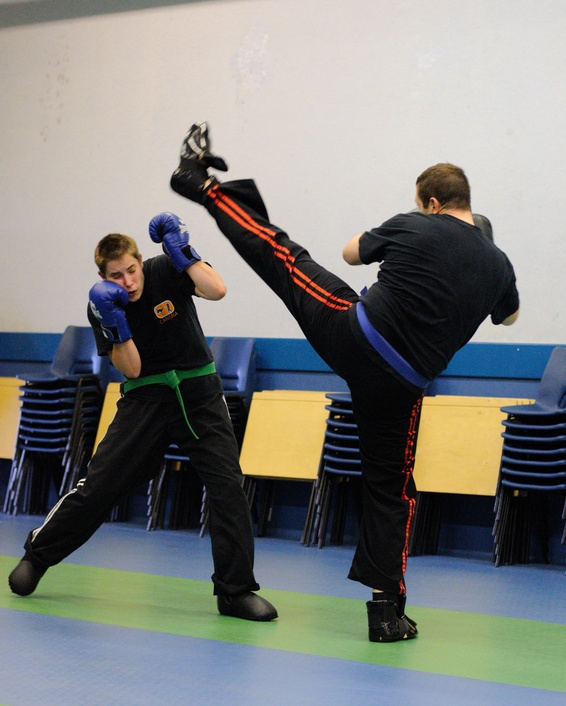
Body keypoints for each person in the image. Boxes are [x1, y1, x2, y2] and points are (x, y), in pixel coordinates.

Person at [168, 121, 520, 642]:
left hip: (354, 336)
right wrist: (483, 257)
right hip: (403, 386)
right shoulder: (499, 265)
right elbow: (508, 318)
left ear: (431, 202)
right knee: (392, 492)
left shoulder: (416, 225)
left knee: (283, 255)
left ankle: (201, 185)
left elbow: (350, 252)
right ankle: (386, 612)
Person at [8, 216, 278, 622]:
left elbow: (217, 290)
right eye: (116, 276)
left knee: (228, 488)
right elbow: (131, 368)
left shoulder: (166, 269)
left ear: (140, 261)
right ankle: (38, 555)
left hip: (199, 393)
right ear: (103, 277)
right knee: (99, 486)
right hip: (145, 398)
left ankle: (235, 592)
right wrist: (116, 325)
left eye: (132, 270)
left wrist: (183, 254)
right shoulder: (101, 304)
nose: (128, 281)